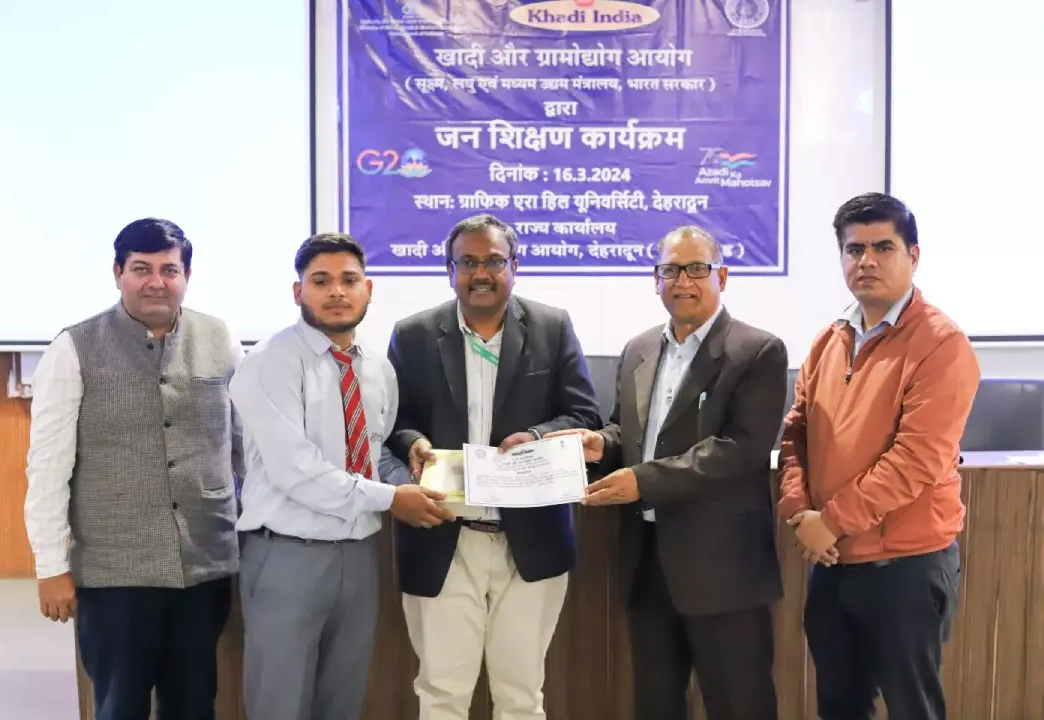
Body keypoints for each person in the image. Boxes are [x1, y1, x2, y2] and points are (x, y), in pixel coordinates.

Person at [548, 226, 787, 720]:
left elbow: (741, 449)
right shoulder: (639, 348)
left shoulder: (758, 351)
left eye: (697, 268)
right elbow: (627, 429)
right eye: (671, 270)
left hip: (723, 567)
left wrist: (644, 481)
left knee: (740, 704)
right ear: (655, 279)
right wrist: (601, 443)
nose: (684, 280)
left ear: (721, 276)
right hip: (647, 561)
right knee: (655, 705)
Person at [23, 218, 244, 720]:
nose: (156, 281)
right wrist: (50, 566)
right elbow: (48, 465)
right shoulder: (73, 347)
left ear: (187, 275)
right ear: (118, 273)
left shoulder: (221, 339)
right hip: (114, 570)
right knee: (119, 705)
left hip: (203, 562)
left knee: (194, 703)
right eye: (141, 269)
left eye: (169, 269)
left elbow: (244, 447)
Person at [386, 214, 602, 719]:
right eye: (468, 262)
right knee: (441, 694)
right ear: (449, 270)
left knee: (521, 697)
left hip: (530, 541)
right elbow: (392, 421)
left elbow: (584, 415)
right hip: (444, 535)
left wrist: (537, 437)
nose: (481, 272)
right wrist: (413, 441)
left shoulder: (553, 326)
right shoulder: (413, 335)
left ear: (515, 267)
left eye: (493, 261)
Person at [229, 233, 451, 720]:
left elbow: (371, 455)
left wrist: (415, 469)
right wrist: (393, 498)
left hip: (358, 556)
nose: (336, 292)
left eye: (349, 280)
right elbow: (297, 471)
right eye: (321, 281)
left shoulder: (377, 368)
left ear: (367, 289)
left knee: (342, 701)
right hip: (287, 554)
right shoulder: (269, 363)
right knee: (279, 704)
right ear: (297, 292)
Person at [778, 192, 980, 720]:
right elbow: (795, 432)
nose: (865, 260)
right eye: (853, 249)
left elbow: (917, 459)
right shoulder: (829, 339)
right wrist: (799, 511)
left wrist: (832, 521)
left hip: (905, 568)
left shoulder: (942, 343)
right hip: (833, 563)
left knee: (913, 709)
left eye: (882, 247)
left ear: (913, 256)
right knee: (839, 708)